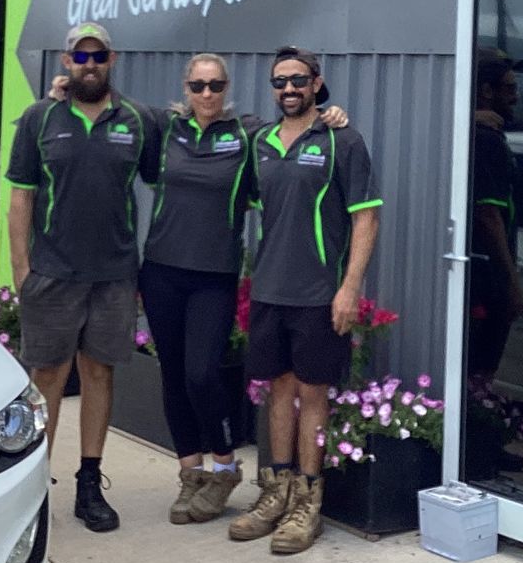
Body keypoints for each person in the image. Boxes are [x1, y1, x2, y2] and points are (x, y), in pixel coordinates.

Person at [48, 57, 349, 525]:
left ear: (226, 89)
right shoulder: (164, 127)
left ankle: (225, 467)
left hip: (215, 275)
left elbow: (295, 127)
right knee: (172, 375)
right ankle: (191, 473)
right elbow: (110, 103)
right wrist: (69, 86)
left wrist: (331, 114)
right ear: (185, 88)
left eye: (214, 86)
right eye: (197, 86)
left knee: (202, 374)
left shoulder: (248, 133)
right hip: (162, 271)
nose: (206, 94)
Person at [5, 22, 162, 533]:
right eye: (80, 55)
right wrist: (22, 269)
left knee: (99, 373)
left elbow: (171, 169)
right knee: (47, 377)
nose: (89, 64)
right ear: (67, 61)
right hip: (51, 274)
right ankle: (33, 484)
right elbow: (22, 195)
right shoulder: (39, 118)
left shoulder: (137, 120)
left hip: (114, 274)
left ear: (111, 59)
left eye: (98, 55)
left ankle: (89, 482)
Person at [229, 46, 382, 555]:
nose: (288, 89)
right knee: (278, 392)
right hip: (271, 290)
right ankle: (276, 495)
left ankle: (307, 505)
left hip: (321, 294)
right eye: (279, 81)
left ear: (317, 83)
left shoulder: (343, 140)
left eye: (297, 79)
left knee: (313, 396)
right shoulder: (263, 143)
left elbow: (366, 218)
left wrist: (349, 288)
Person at [464, 49, 523, 481]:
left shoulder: (488, 134)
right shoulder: (484, 140)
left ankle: (486, 440)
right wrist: (510, 280)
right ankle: (475, 447)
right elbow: (488, 215)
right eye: (508, 89)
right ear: (485, 90)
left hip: (490, 269)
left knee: (484, 370)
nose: (516, 98)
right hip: (485, 272)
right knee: (478, 366)